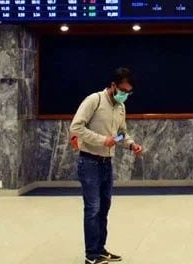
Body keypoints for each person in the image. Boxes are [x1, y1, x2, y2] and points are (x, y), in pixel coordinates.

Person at [69, 67, 143, 264]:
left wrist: (130, 144)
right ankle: (91, 255)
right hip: (89, 162)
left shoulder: (120, 107)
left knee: (104, 208)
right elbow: (75, 127)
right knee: (92, 208)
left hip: (106, 164)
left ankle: (100, 249)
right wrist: (103, 140)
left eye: (128, 93)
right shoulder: (95, 100)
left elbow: (120, 133)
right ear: (113, 86)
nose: (125, 95)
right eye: (122, 91)